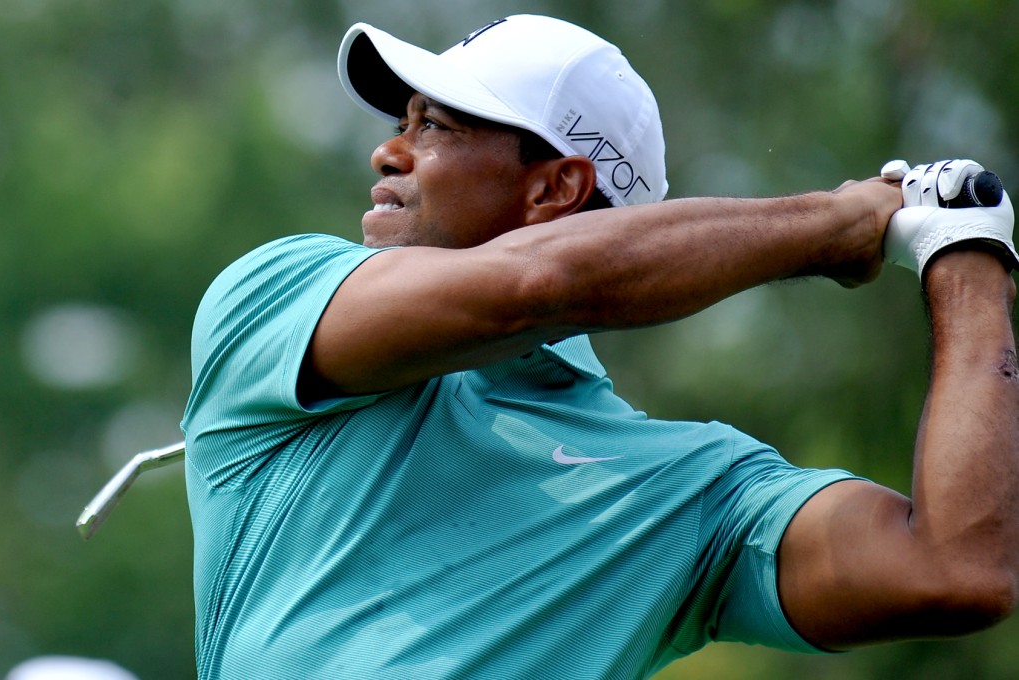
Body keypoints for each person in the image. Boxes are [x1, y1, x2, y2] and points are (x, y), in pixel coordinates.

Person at [180, 14, 1019, 679]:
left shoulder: (700, 492)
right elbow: (531, 289)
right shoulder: (276, 300)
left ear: (553, 189)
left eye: (431, 125)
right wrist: (831, 224)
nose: (386, 149)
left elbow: (957, 570)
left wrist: (967, 260)